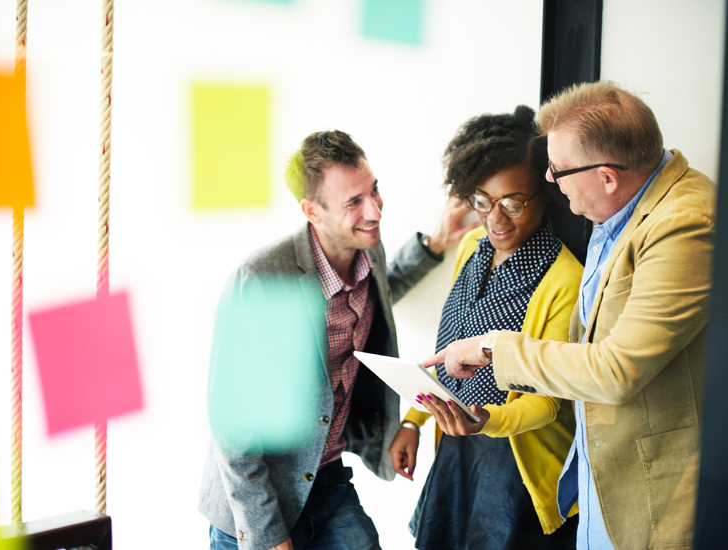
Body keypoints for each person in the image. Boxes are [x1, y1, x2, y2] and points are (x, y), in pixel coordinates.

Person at [420, 81, 716, 550]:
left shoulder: (685, 222)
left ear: (605, 176)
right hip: (596, 481)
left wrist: (491, 346)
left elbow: (615, 370)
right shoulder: (613, 211)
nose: (552, 181)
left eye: (557, 171)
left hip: (646, 493)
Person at [198, 130, 478, 550]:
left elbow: (380, 291)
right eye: (354, 202)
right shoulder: (261, 279)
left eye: (375, 191)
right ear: (312, 210)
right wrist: (266, 534)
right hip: (258, 502)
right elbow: (232, 424)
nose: (375, 210)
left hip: (329, 480)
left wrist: (434, 243)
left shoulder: (369, 251)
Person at [388, 105, 583, 550]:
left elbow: (548, 404)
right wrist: (416, 420)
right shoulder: (472, 246)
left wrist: (484, 421)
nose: (495, 220)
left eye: (513, 203)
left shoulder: (563, 281)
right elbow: (447, 354)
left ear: (544, 194)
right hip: (457, 447)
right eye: (482, 201)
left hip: (514, 465)